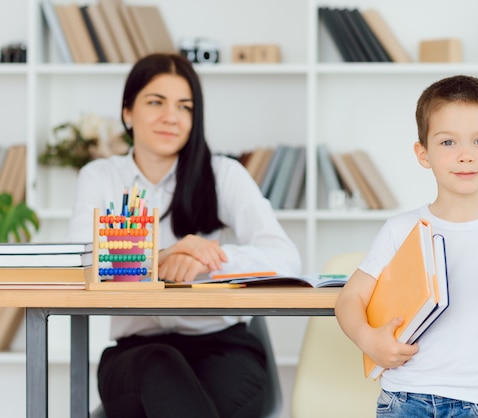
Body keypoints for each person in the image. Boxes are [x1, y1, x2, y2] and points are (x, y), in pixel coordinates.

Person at [65, 53, 301, 418]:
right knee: (161, 366)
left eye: (185, 107)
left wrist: (206, 260)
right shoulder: (100, 177)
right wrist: (161, 258)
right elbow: (79, 264)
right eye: (156, 102)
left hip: (223, 349)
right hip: (135, 356)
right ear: (127, 111)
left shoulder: (223, 174)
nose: (171, 117)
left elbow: (285, 257)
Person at [334, 74, 478, 418]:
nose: (466, 155)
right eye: (448, 143)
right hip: (404, 398)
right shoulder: (400, 228)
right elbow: (350, 298)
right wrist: (369, 340)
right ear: (424, 154)